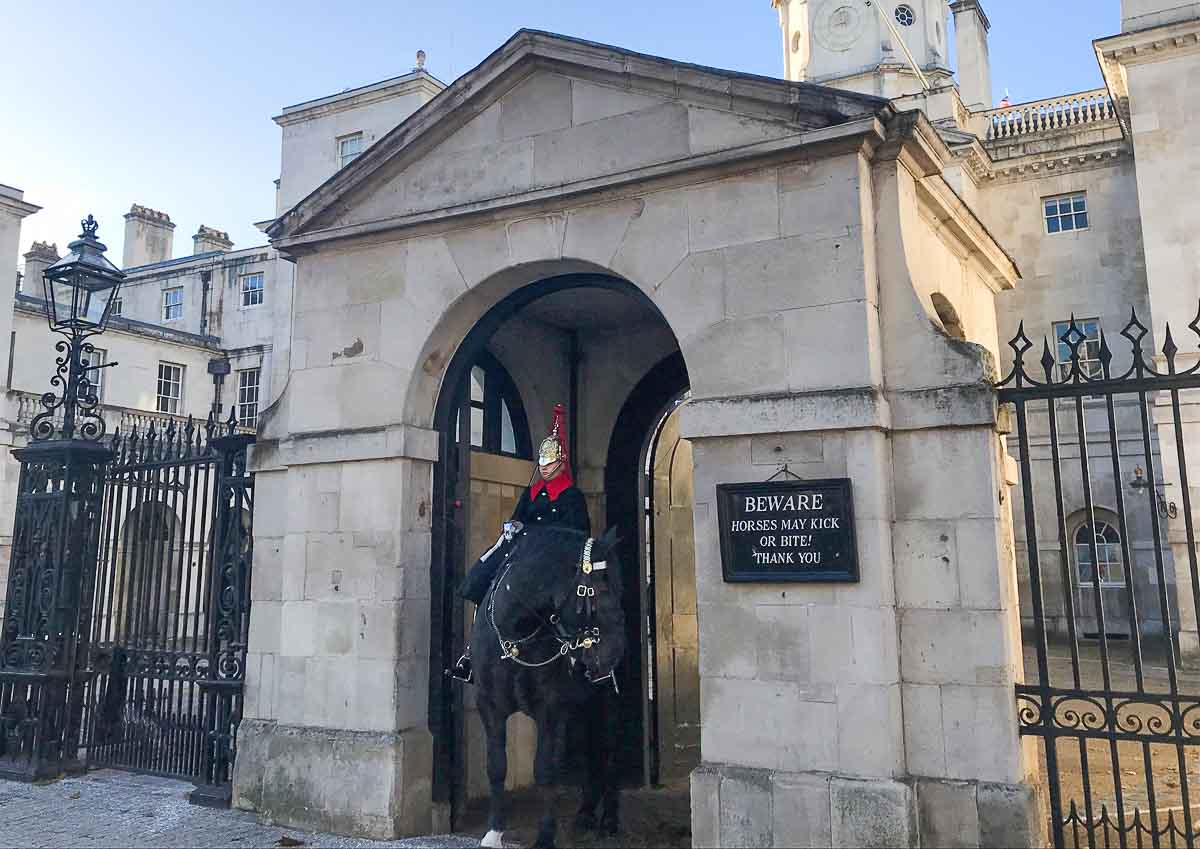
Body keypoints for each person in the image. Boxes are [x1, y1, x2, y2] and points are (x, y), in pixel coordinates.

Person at [449, 404, 591, 683]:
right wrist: (512, 525)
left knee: (585, 592)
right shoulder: (533, 492)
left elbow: (579, 530)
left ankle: (582, 655)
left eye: (549, 465)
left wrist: (547, 537)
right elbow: (518, 517)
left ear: (560, 464)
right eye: (542, 464)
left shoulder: (571, 496)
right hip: (525, 549)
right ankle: (471, 654)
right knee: (489, 575)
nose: (544, 469)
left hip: (556, 556)